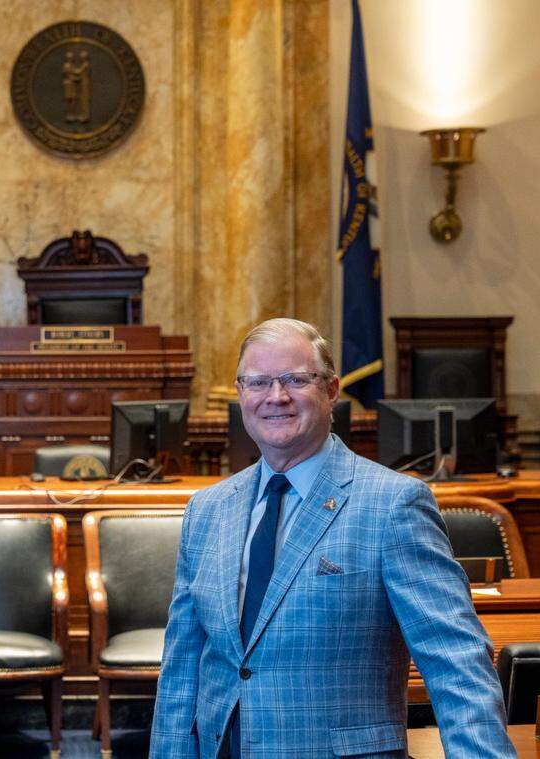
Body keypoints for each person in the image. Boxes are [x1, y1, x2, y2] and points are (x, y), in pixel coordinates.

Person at [150, 318, 515, 758]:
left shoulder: (394, 504)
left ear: (332, 390)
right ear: (241, 393)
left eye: (295, 380)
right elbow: (182, 664)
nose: (276, 396)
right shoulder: (208, 510)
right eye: (259, 382)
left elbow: (454, 660)